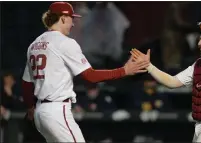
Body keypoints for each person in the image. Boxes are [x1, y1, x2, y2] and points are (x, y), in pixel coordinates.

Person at [21, 2, 149, 142]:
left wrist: (30, 107)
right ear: (63, 18)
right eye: (71, 18)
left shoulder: (34, 44)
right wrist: (124, 71)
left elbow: (26, 83)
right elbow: (91, 76)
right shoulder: (65, 42)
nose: (73, 23)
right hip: (57, 110)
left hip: (40, 112)